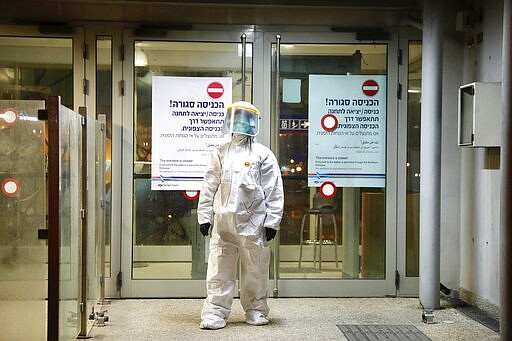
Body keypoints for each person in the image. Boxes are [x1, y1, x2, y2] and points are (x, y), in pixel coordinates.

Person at [196, 101, 284, 330]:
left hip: (253, 223)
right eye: (236, 118)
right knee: (219, 266)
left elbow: (273, 189)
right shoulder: (220, 152)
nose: (240, 124)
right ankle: (215, 311)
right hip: (223, 222)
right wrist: (204, 216)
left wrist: (272, 221)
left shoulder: (263, 154)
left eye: (246, 118)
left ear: (254, 122)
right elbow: (209, 185)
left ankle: (256, 309)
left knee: (256, 269)